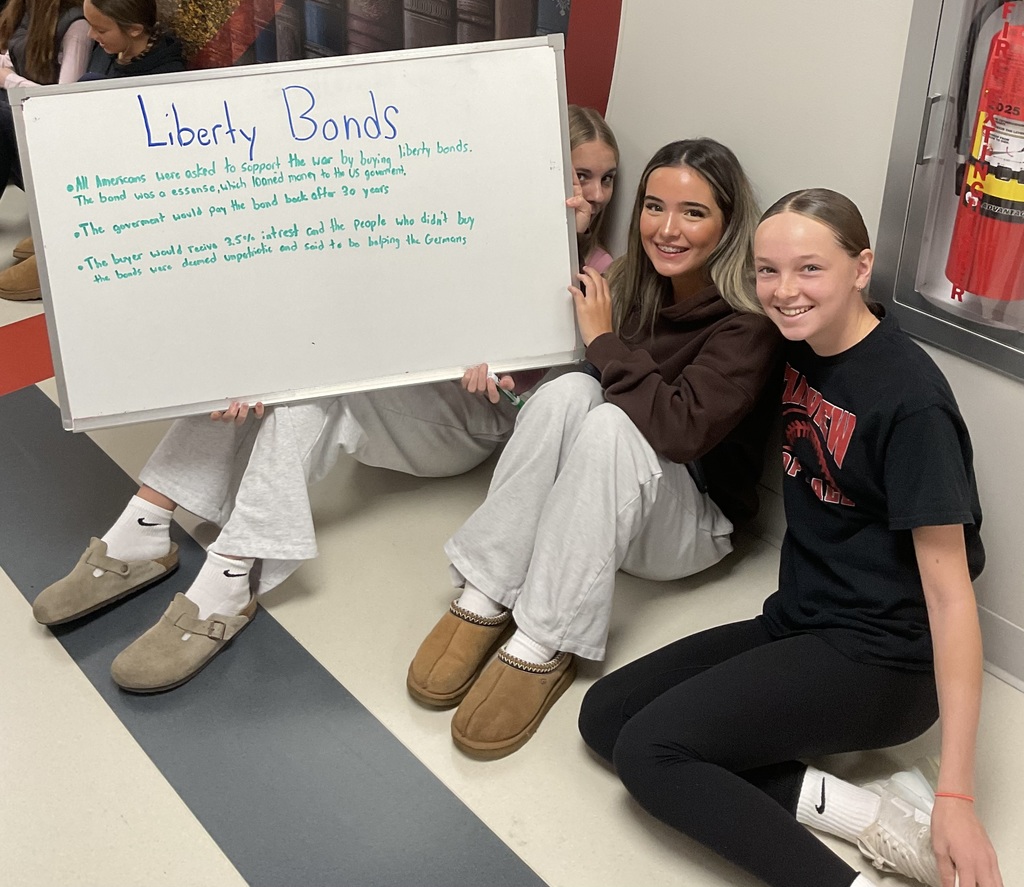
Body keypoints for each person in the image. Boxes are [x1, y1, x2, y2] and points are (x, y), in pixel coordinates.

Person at [30, 109, 621, 695]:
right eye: (581, 175)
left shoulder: (600, 272)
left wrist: (548, 270)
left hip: (471, 421)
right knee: (278, 364)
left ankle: (230, 577)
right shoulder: (475, 218)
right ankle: (146, 521)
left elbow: (553, 398)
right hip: (402, 380)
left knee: (318, 390)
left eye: (606, 179)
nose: (594, 194)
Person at [578, 188, 1004, 887]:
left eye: (809, 268)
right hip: (800, 621)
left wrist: (958, 796)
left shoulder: (912, 402)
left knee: (650, 751)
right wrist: (577, 241)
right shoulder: (794, 341)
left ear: (860, 268)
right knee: (606, 716)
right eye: (767, 271)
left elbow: (951, 598)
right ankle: (867, 814)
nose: (783, 290)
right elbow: (681, 342)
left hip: (886, 662)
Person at [407, 138, 782, 760]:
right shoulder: (632, 282)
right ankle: (487, 592)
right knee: (569, 390)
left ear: (728, 224)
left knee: (611, 420)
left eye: (693, 213)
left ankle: (544, 640)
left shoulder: (748, 323)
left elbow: (680, 432)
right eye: (654, 207)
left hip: (691, 525)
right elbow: (586, 386)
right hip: (610, 512)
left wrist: (604, 341)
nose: (667, 229)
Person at [0, 0, 185, 301]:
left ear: (134, 29)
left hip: (118, 187)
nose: (90, 36)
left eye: (100, 29)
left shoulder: (162, 77)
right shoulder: (110, 51)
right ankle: (60, 224)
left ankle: (69, 240)